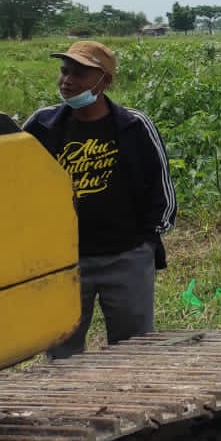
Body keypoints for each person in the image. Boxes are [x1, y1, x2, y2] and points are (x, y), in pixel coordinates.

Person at [23, 40, 176, 358]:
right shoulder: (41, 125)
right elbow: (14, 183)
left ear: (104, 81)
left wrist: (147, 242)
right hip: (64, 262)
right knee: (61, 354)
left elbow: (161, 189)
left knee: (133, 351)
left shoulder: (134, 126)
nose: (67, 81)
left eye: (79, 74)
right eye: (64, 72)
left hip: (126, 257)